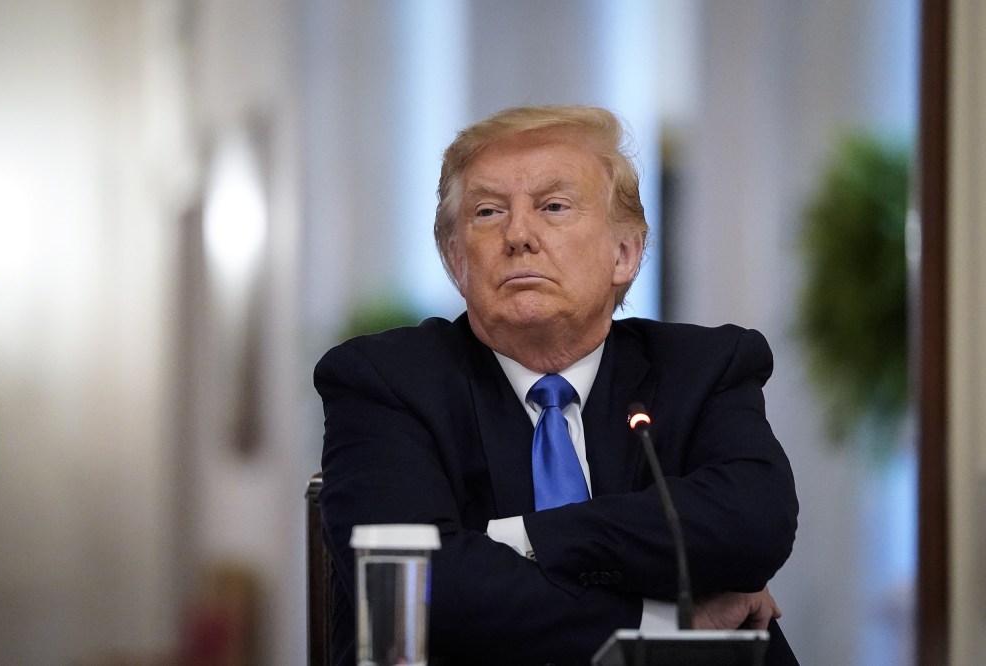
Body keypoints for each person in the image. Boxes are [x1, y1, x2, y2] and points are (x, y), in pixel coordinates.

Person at [314, 105, 798, 665]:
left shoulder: (703, 366)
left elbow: (752, 526)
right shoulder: (385, 382)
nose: (519, 234)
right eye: (489, 211)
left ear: (625, 252)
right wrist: (663, 618)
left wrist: (522, 538)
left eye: (554, 206)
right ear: (455, 259)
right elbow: (422, 591)